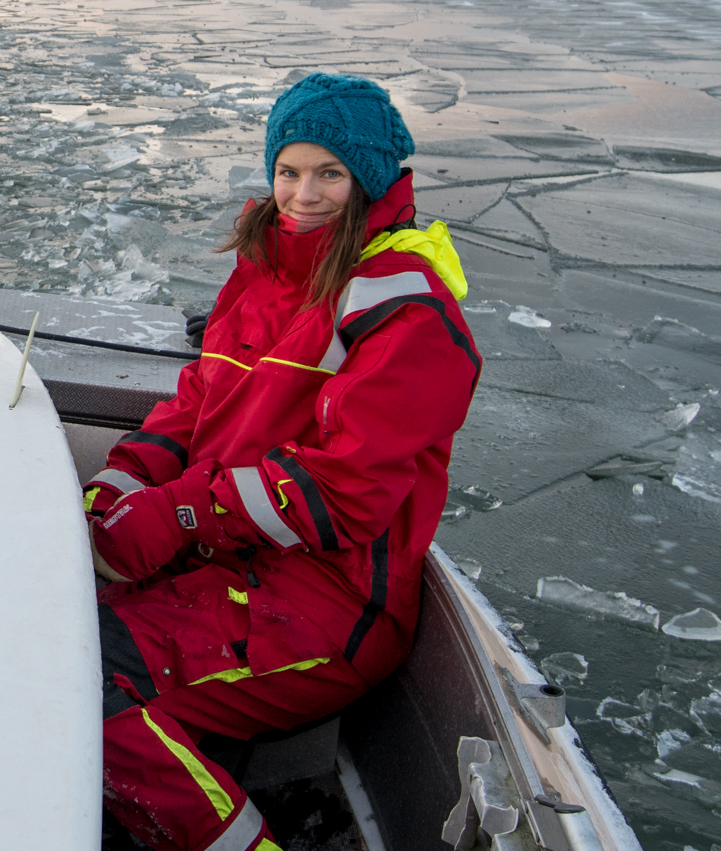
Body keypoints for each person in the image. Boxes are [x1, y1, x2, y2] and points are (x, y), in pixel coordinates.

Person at [84, 72, 481, 851]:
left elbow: (346, 493)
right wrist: (121, 484)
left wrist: (179, 512)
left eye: (329, 173)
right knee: (49, 627)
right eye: (289, 171)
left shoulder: (406, 308)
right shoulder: (264, 266)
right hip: (224, 560)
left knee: (79, 682)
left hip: (326, 606)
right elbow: (195, 404)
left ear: (368, 179)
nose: (303, 194)